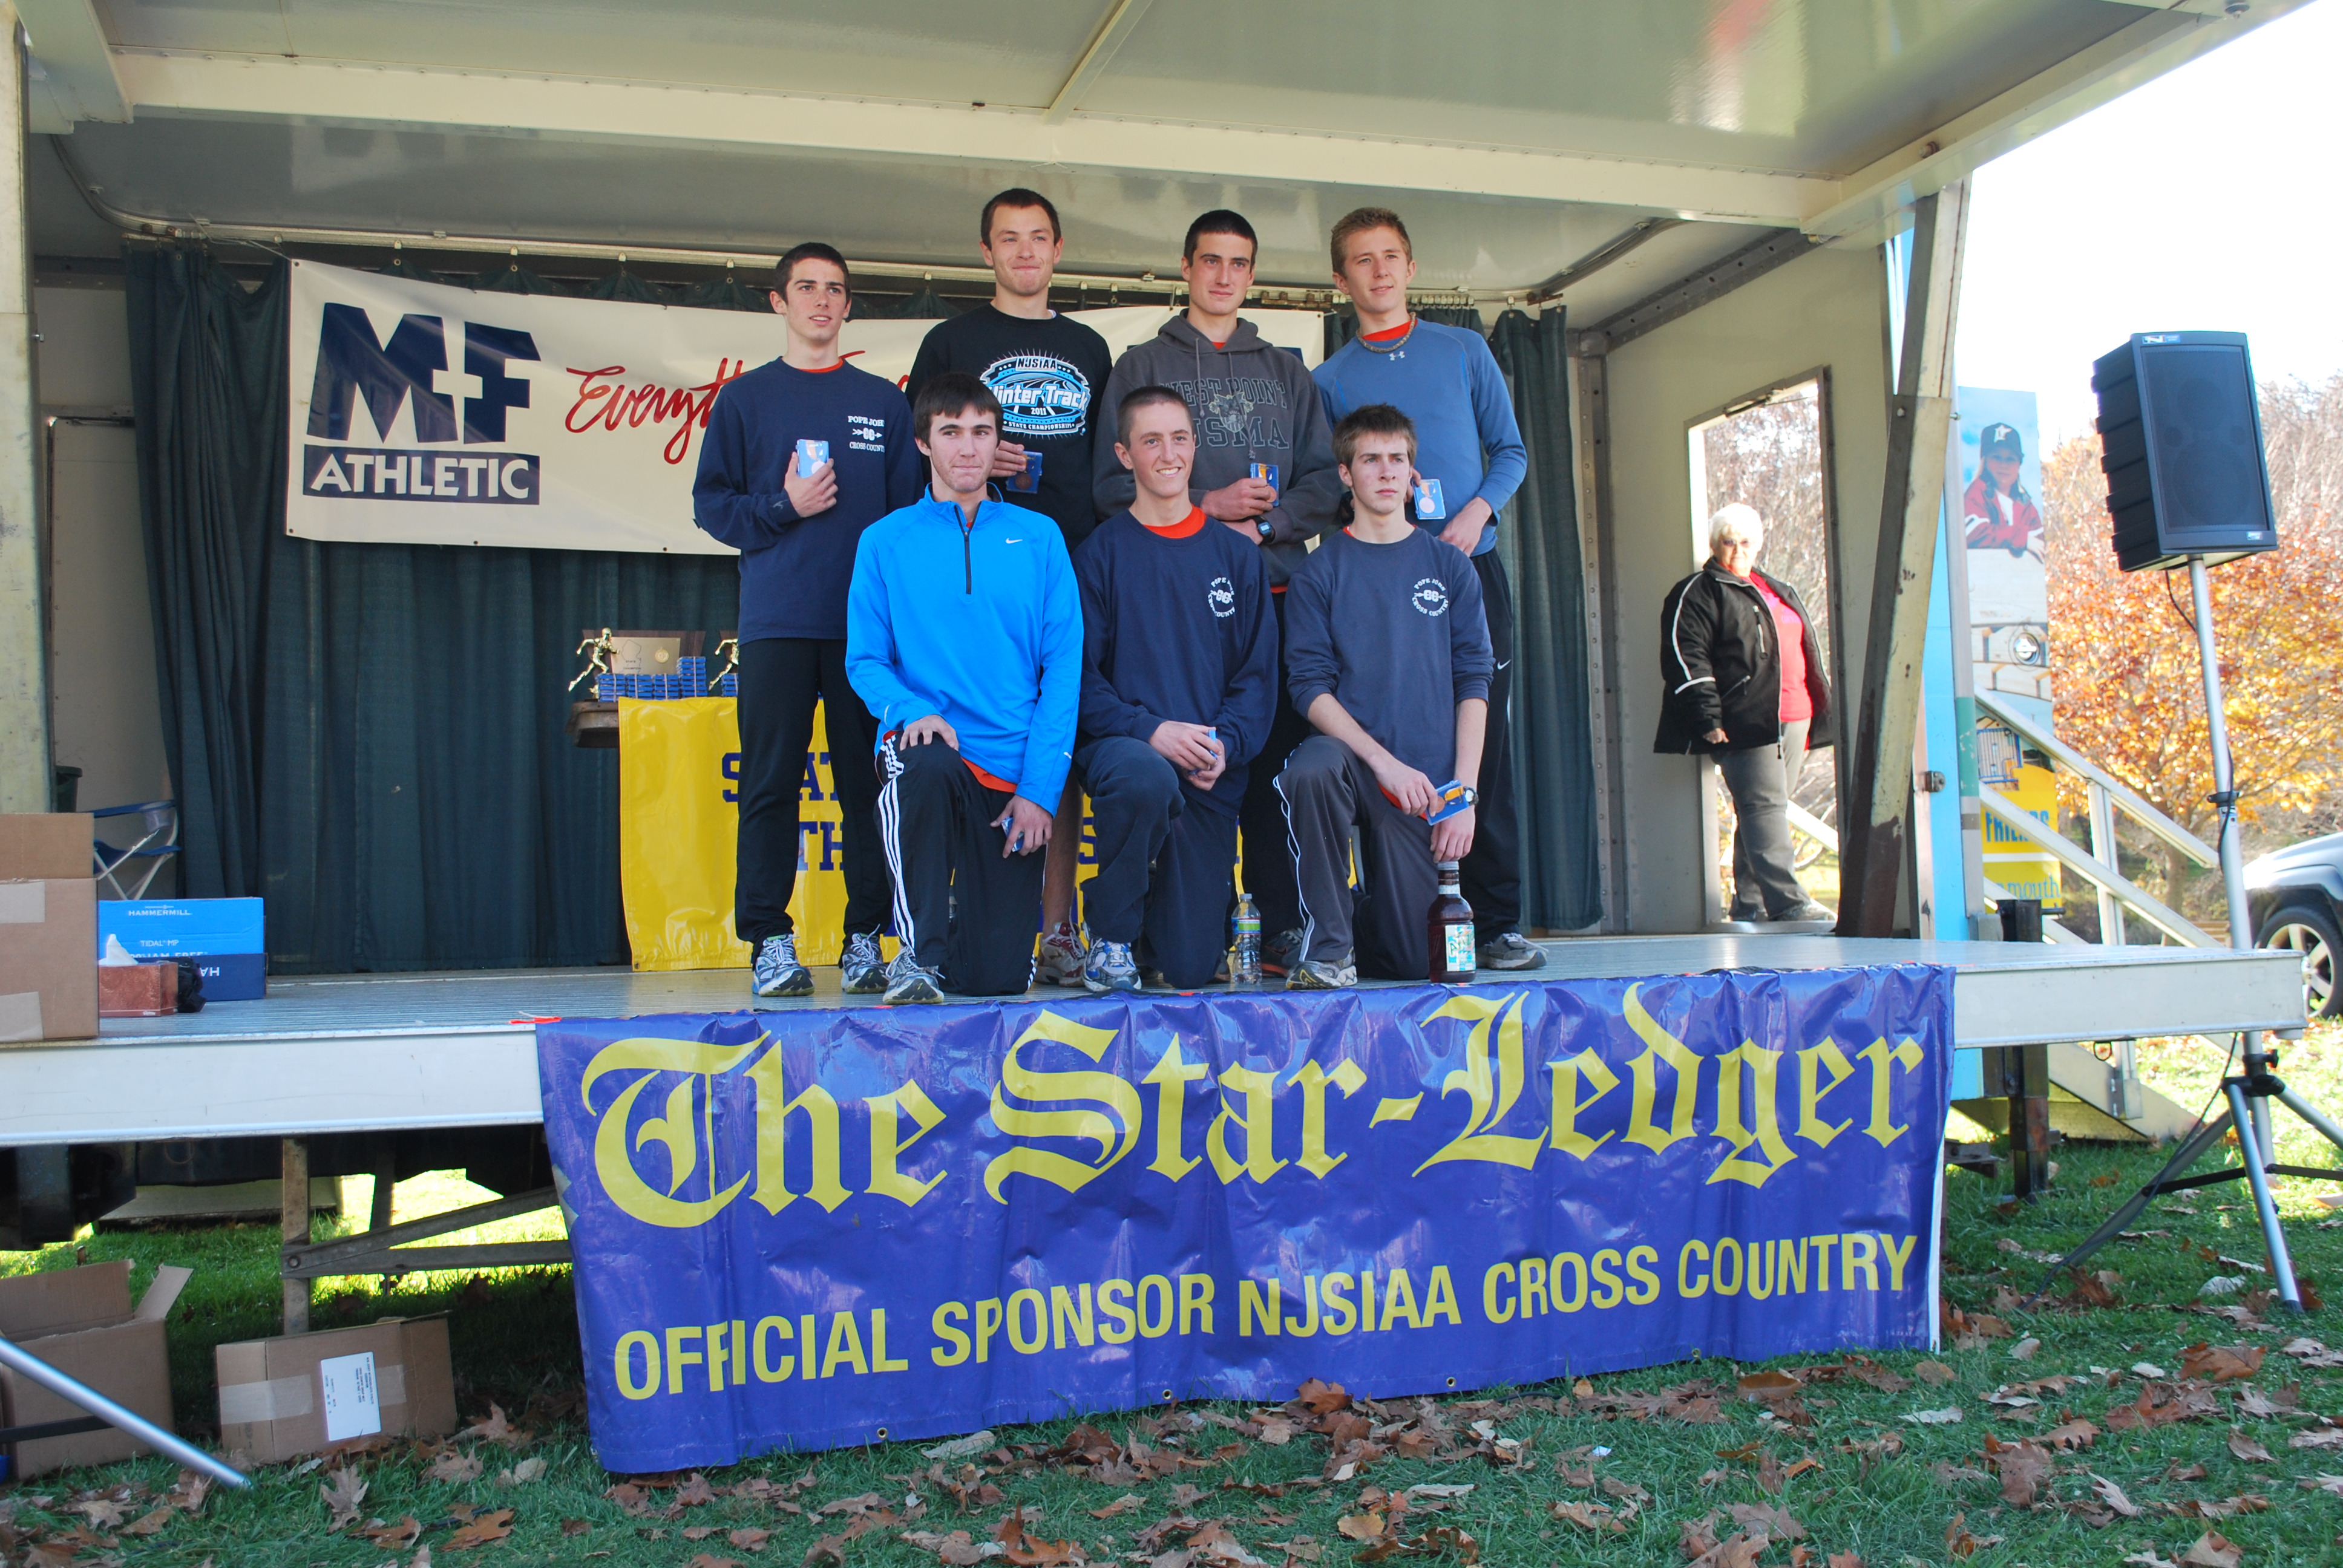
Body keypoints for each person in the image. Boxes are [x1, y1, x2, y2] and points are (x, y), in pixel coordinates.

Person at [1093, 209, 1343, 979]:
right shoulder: (1141, 364)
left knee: (1264, 768)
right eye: (1210, 260)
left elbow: (1325, 483)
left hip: (1271, 591)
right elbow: (1110, 488)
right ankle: (1127, 932)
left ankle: (1276, 926)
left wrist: (1260, 530)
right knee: (1156, 771)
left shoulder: (1287, 372)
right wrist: (1209, 509)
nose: (1223, 276)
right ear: (1186, 267)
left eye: (1238, 263)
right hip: (1165, 594)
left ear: (1252, 275)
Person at [1312, 207, 1542, 972]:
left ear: (1410, 268)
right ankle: (1401, 912)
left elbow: (1509, 451)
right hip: (1384, 580)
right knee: (1394, 737)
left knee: (1483, 741)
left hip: (1469, 566)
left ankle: (1497, 920)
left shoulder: (1463, 349)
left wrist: (1476, 514)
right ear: (1340, 279)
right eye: (1361, 260)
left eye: (1390, 256)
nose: (1378, 271)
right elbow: (1331, 483)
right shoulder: (1329, 380)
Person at [693, 241, 923, 998]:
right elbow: (710, 505)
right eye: (806, 287)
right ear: (778, 301)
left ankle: (865, 939)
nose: (821, 301)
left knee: (869, 789)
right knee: (769, 786)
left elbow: (907, 521)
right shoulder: (744, 400)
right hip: (777, 625)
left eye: (834, 289)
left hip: (864, 634)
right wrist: (781, 507)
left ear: (848, 305)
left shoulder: (883, 403)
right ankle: (768, 939)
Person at [906, 189, 1112, 986]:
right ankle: (937, 927)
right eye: (1008, 238)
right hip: (973, 566)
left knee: (1055, 742)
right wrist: (972, 465)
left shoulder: (1089, 346)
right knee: (955, 748)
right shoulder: (951, 340)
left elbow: (1106, 467)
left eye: (1037, 238)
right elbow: (920, 447)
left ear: (1058, 249)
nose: (1024, 251)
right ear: (985, 252)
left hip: (1066, 560)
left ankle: (1058, 926)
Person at [845, 371, 1083, 1004]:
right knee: (921, 762)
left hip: (1010, 774)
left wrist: (1038, 794)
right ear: (924, 443)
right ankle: (916, 955)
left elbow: (1063, 671)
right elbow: (864, 660)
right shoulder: (884, 541)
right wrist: (910, 709)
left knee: (995, 979)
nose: (969, 448)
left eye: (982, 432)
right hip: (930, 750)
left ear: (998, 441)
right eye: (951, 432)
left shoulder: (1040, 538)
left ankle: (953, 945)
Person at [1277, 405, 1493, 987]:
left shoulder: (1450, 566)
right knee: (1309, 769)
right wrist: (1381, 762)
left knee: (1415, 962)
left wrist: (1462, 794)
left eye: (1397, 459)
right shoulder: (1319, 573)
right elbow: (1308, 688)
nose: (1386, 471)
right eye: (1370, 459)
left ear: (1412, 472)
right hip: (1356, 763)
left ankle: (1363, 915)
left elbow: (1474, 681)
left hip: (1427, 784)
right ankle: (1330, 949)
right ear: (1345, 474)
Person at [1073, 387, 1279, 991]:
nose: (1168, 455)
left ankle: (1161, 926)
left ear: (1194, 445)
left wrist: (1225, 745)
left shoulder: (1236, 557)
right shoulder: (1098, 556)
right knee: (1145, 777)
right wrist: (1151, 732)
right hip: (1127, 753)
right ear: (1124, 455)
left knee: (1188, 966)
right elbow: (1079, 682)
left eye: (1179, 439)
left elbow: (1257, 678)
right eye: (1151, 441)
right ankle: (1111, 936)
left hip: (1209, 770)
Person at [1653, 503, 1835, 926]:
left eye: (1746, 542)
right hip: (1745, 718)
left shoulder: (1776, 588)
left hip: (1795, 714)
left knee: (1763, 810)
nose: (1738, 550)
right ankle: (1789, 903)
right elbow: (1686, 656)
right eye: (1728, 542)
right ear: (1714, 545)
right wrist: (1708, 717)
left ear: (1760, 545)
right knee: (1764, 807)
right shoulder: (1698, 591)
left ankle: (1750, 903)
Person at [1962, 422, 2042, 557]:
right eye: (1997, 457)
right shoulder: (1977, 492)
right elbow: (1973, 534)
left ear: (2019, 465)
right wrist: (2020, 538)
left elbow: (2040, 543)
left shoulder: (2025, 504)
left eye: (2011, 459)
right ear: (1985, 461)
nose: (2004, 465)